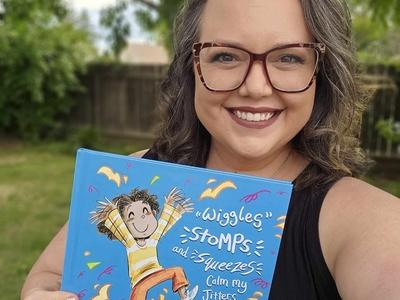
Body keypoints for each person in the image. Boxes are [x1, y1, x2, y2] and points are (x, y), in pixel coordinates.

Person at [21, 0, 400, 299]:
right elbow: (49, 276)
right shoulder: (135, 176)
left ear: (321, 73)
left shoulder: (363, 220)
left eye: (289, 57)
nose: (255, 87)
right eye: (226, 55)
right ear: (192, 67)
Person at [91, 187, 198, 300]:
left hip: (157, 273)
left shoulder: (152, 240)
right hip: (140, 281)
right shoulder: (130, 242)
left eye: (145, 213)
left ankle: (184, 297)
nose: (141, 220)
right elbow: (120, 228)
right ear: (125, 224)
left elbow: (163, 225)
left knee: (177, 270)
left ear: (154, 213)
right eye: (131, 217)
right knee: (139, 293)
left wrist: (172, 207)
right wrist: (112, 212)